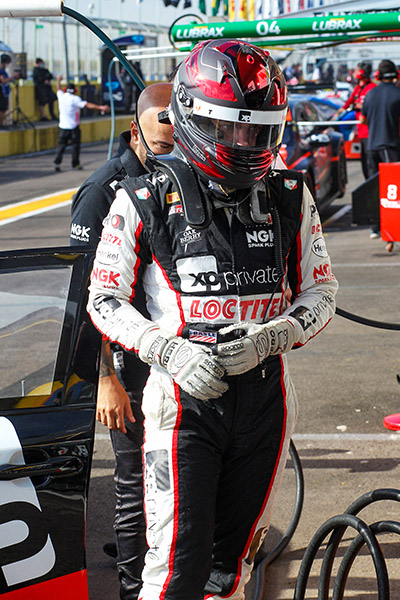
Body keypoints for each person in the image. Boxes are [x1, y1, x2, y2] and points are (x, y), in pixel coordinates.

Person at [87, 39, 338, 600]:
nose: (246, 145)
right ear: (193, 119)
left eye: (259, 132)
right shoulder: (141, 197)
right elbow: (102, 298)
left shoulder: (290, 195)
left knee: (232, 566)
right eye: (229, 129)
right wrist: (167, 350)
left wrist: (273, 336)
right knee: (174, 568)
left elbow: (323, 291)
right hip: (182, 404)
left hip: (267, 400)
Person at [71, 82, 174, 600]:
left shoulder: (176, 177)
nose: (173, 151)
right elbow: (84, 299)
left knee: (170, 479)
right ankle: (134, 589)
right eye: (162, 143)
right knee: (137, 479)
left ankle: (155, 562)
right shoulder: (102, 190)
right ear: (135, 131)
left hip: (170, 354)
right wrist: (105, 378)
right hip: (126, 361)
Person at [360, 59, 400, 241]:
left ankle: (375, 227)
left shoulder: (370, 94)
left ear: (378, 75)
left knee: (375, 187)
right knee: (393, 188)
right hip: (390, 146)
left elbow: (363, 120)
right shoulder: (397, 93)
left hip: (372, 146)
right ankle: (393, 227)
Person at [54, 75, 110, 172]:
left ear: (65, 90)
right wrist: (101, 107)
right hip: (74, 127)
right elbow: (87, 105)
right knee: (75, 147)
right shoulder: (75, 99)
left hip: (63, 127)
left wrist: (58, 80)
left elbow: (58, 89)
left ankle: (57, 163)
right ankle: (75, 164)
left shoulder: (61, 96)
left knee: (61, 146)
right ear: (75, 90)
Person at [333, 62, 376, 180]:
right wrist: (335, 116)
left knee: (371, 164)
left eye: (356, 70)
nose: (354, 73)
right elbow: (346, 105)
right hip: (361, 132)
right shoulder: (357, 89)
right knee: (365, 164)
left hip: (370, 132)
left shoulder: (372, 88)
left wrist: (361, 106)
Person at [0, 54, 12, 127]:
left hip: (4, 93)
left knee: (4, 109)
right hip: (1, 92)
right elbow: (3, 81)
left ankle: (2, 123)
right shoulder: (0, 71)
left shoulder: (4, 71)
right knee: (1, 109)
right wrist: (12, 78)